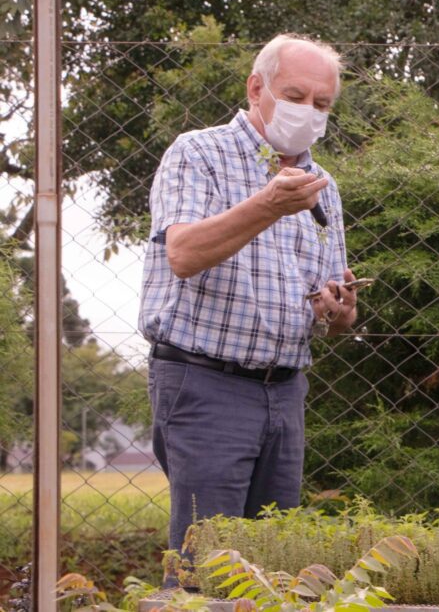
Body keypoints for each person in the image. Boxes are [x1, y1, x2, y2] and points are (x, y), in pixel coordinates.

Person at [139, 33, 360, 557]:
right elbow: (183, 254)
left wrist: (339, 310)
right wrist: (267, 205)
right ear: (256, 88)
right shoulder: (198, 153)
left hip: (285, 390)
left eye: (322, 104)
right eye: (296, 96)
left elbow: (330, 308)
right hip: (205, 382)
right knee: (208, 564)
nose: (308, 112)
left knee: (271, 562)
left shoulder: (320, 182)